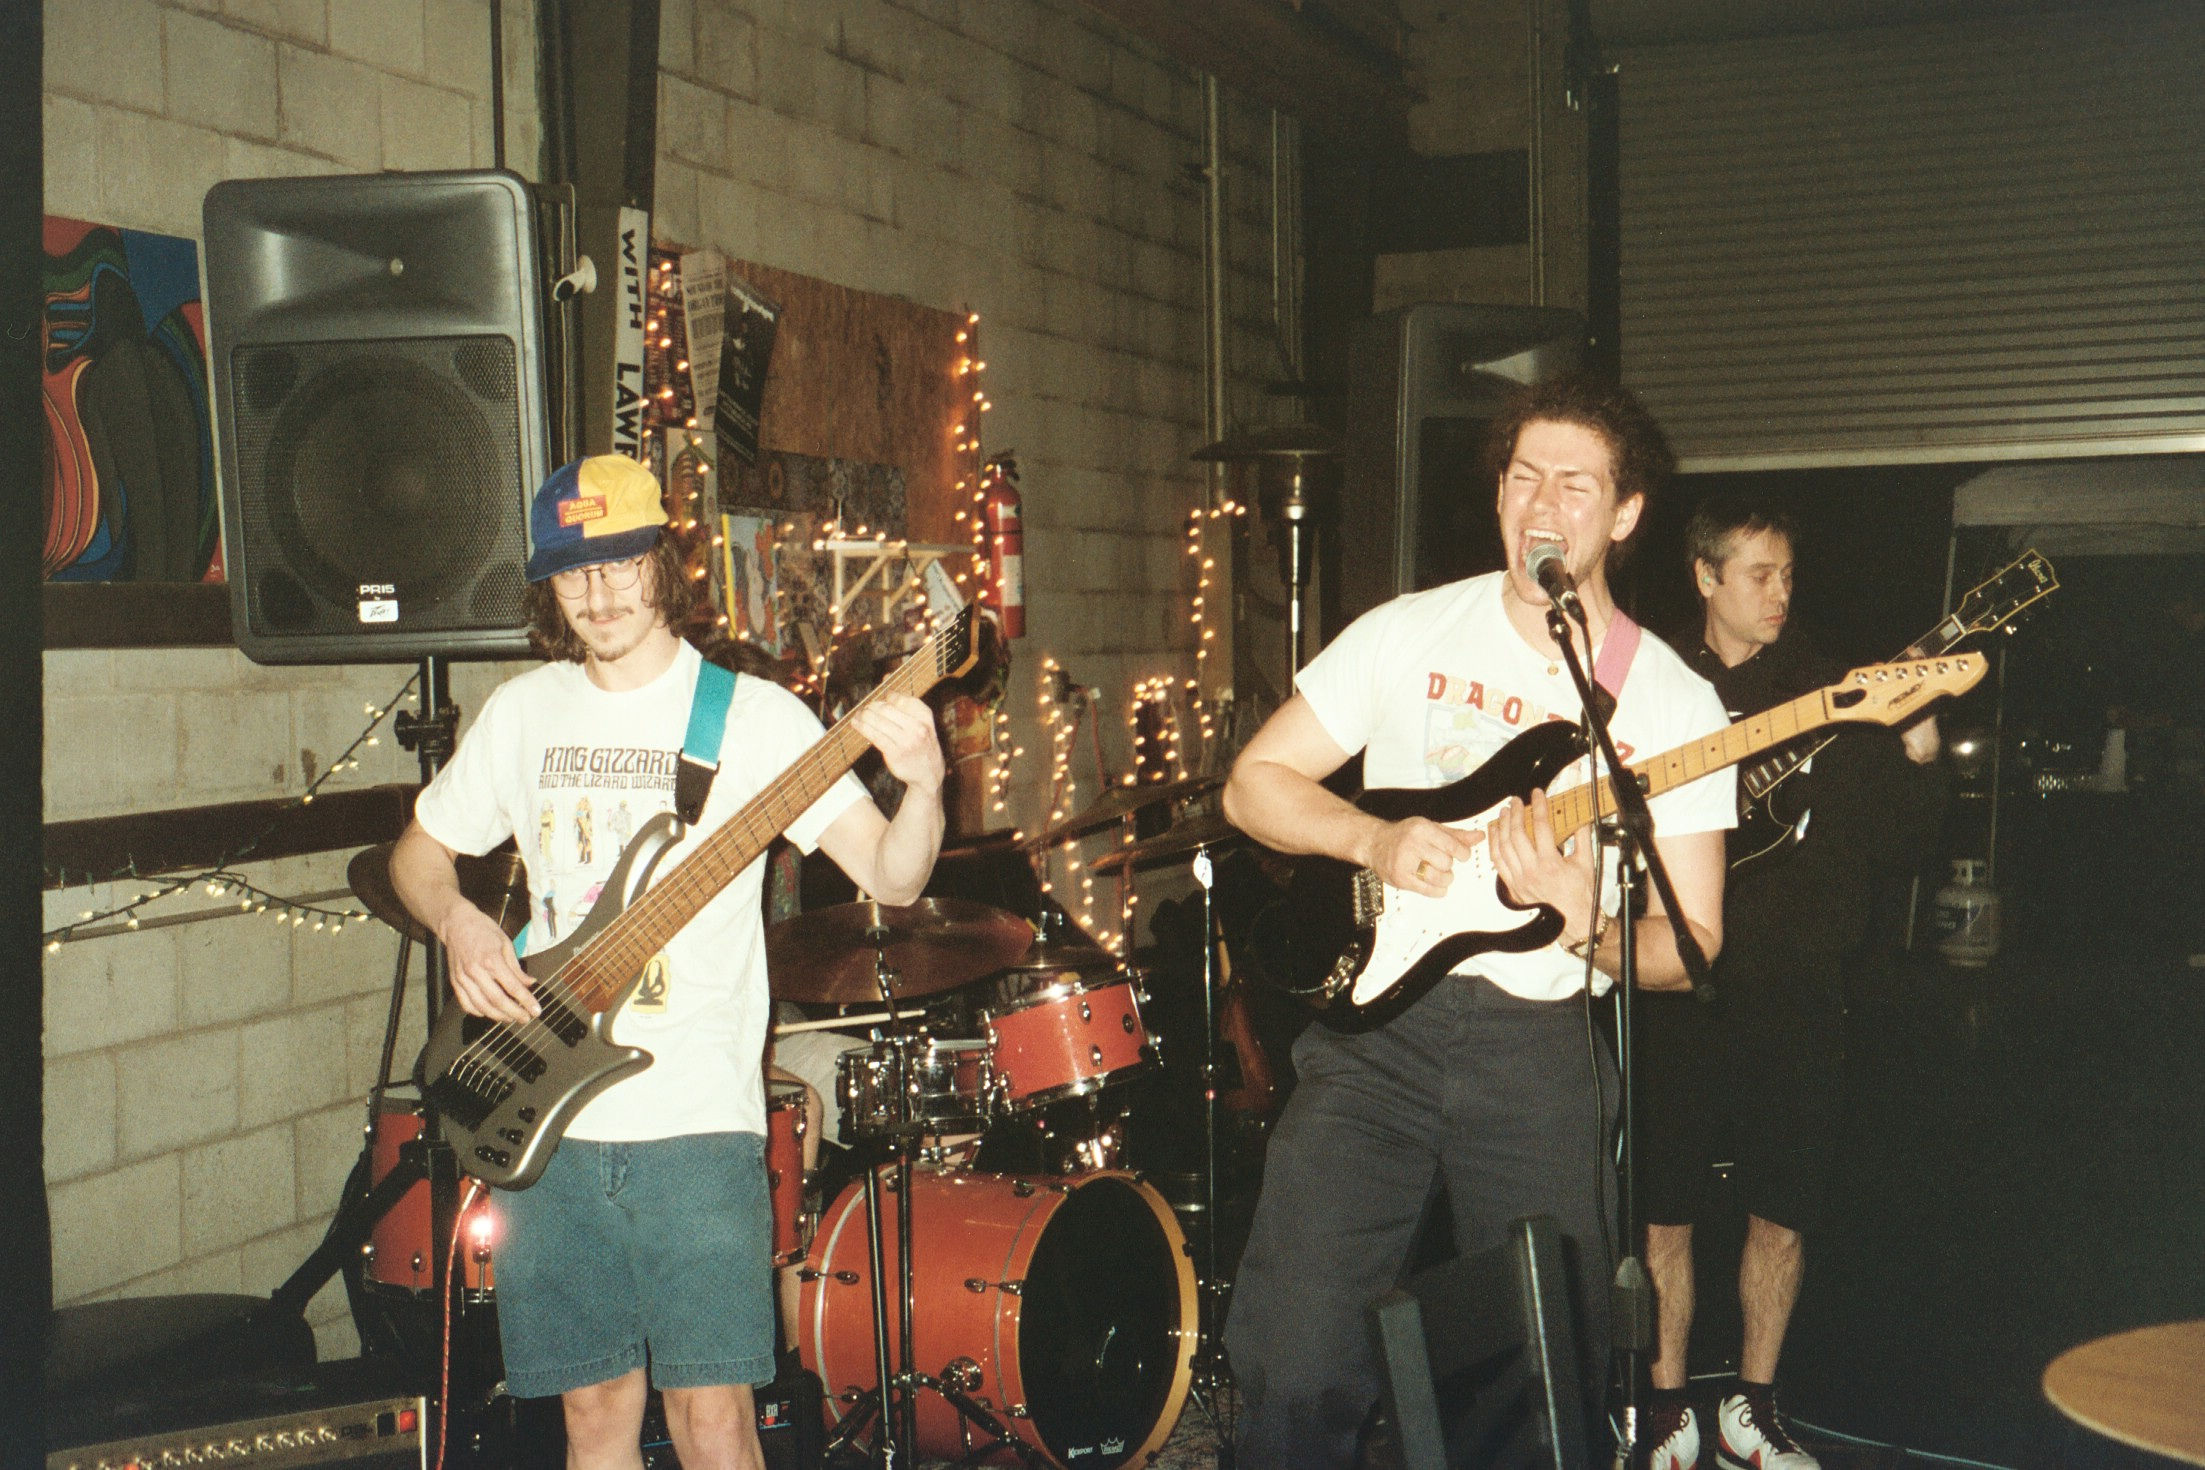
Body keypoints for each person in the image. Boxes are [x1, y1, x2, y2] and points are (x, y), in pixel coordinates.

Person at [1220, 373, 1736, 1466]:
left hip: (1537, 1054)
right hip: (1375, 1043)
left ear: (1625, 515)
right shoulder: (1408, 631)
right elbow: (1253, 785)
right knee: (1294, 1362)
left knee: (1536, 1383)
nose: (1543, 504)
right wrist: (1370, 839)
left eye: (1576, 485)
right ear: (1498, 492)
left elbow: (1689, 948)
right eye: (1524, 476)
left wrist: (1584, 921)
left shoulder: (1672, 702)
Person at [390, 454, 945, 1470]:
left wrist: (924, 788)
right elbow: (417, 855)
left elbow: (893, 877)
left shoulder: (755, 718)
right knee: (593, 1413)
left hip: (694, 1121)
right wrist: (460, 922)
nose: (598, 594)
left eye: (620, 563)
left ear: (663, 561)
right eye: (573, 572)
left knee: (712, 1419)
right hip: (543, 1113)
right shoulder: (523, 711)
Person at [1637, 496, 1943, 1470]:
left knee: (1784, 1206)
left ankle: (1755, 1410)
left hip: (1798, 989)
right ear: (1705, 577)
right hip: (1673, 984)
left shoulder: (1829, 691)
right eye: (1758, 574)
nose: (1780, 592)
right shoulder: (1649, 681)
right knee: (1662, 1209)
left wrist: (1919, 752)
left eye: (1788, 574)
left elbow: (1899, 845)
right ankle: (1665, 1407)